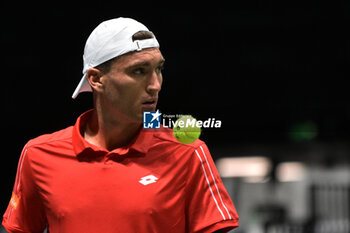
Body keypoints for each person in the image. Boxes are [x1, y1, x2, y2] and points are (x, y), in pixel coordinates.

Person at [2, 17, 239, 233]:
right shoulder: (37, 155)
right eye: (139, 71)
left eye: (159, 69)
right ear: (96, 79)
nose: (155, 85)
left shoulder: (189, 153)